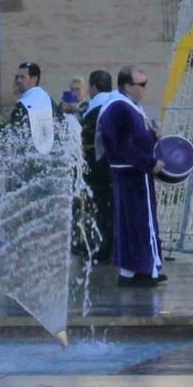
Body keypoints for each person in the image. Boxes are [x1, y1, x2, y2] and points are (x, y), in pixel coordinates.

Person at [98, 66, 167, 286]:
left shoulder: (127, 106)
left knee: (134, 223)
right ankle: (142, 271)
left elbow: (133, 139)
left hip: (132, 172)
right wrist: (149, 163)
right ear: (128, 86)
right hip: (132, 172)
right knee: (139, 223)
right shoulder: (120, 108)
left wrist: (151, 136)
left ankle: (136, 270)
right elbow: (123, 144)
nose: (145, 89)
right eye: (142, 84)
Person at [77, 70, 115, 262]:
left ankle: (102, 247)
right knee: (113, 206)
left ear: (93, 87)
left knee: (99, 206)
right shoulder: (116, 104)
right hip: (116, 166)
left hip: (97, 166)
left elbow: (84, 138)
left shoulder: (94, 109)